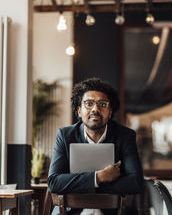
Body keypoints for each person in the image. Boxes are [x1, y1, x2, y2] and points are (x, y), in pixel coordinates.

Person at [48, 77, 143, 214]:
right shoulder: (65, 135)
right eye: (89, 103)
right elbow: (54, 182)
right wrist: (98, 177)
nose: (95, 109)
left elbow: (136, 183)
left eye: (102, 104)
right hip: (72, 211)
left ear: (110, 112)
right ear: (79, 110)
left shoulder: (125, 136)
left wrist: (80, 184)